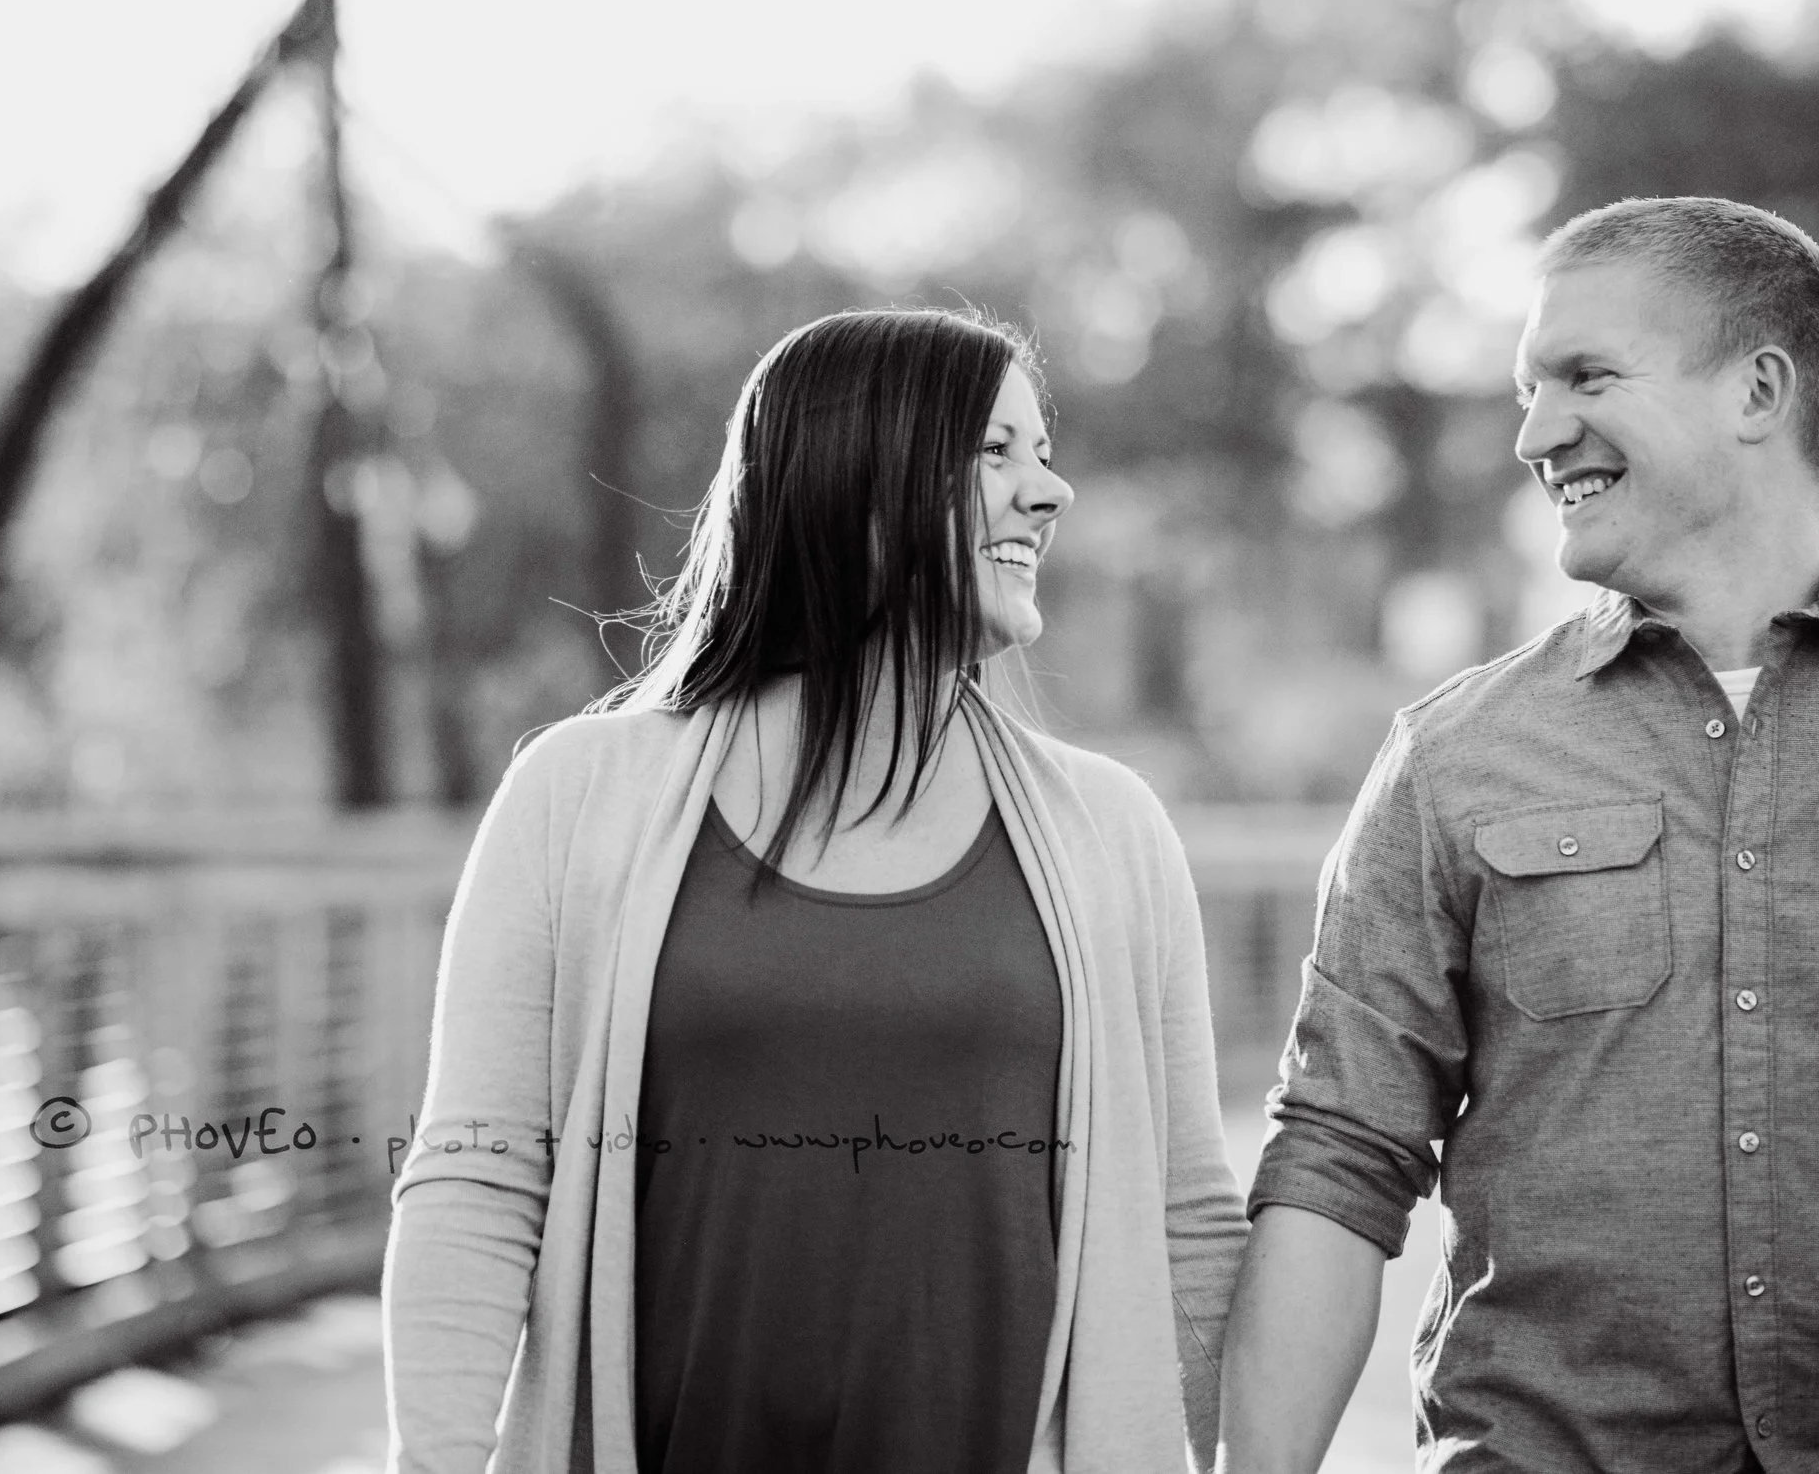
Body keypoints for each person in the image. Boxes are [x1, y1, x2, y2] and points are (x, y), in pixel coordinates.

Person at [1217, 198, 1819, 1474]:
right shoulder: (1449, 756)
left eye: (1585, 377)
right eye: (1528, 389)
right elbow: (1338, 1157)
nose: (1534, 433)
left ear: (1757, 391)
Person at [383, 308, 1247, 1474]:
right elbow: (480, 1174)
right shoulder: (577, 796)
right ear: (859, 477)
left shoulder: (1113, 832)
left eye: (1042, 454)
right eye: (995, 452)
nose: (1051, 493)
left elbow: (1187, 1222)